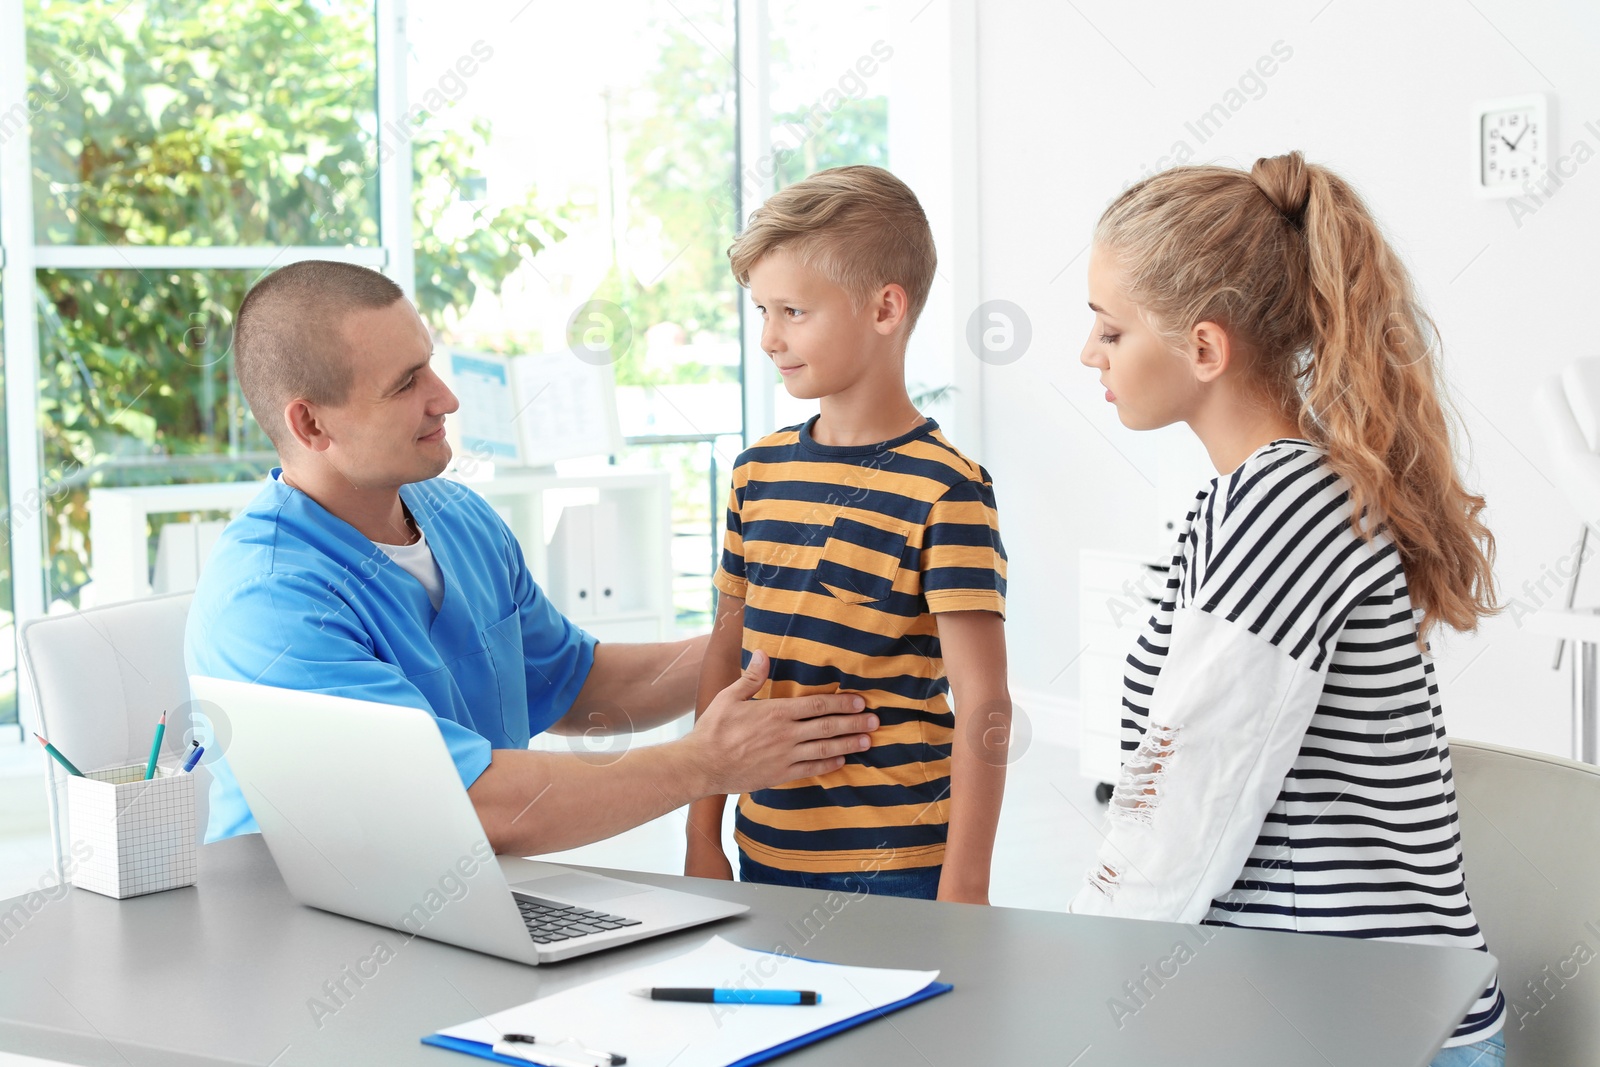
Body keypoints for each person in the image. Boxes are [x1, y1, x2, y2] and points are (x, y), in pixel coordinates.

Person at [186, 260, 880, 855]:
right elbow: (472, 806)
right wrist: (706, 763)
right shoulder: (269, 599)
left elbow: (581, 686)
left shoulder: (456, 517)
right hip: (303, 943)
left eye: (428, 362)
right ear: (310, 423)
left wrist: (777, 623)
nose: (446, 398)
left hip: (472, 907)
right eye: (405, 384)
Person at [1076, 152, 1505, 1062]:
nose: (1089, 355)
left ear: (1204, 347)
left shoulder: (1281, 505)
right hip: (1328, 1005)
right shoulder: (1258, 495)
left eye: (1109, 332)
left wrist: (1085, 963)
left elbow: (1188, 785)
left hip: (1371, 1024)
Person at [683, 166, 1012, 903]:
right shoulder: (754, 473)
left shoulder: (948, 490)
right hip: (763, 848)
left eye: (793, 310)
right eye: (762, 310)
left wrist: (965, 886)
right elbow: (723, 659)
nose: (769, 337)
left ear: (884, 307)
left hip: (901, 868)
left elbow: (985, 701)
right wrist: (700, 836)